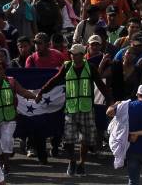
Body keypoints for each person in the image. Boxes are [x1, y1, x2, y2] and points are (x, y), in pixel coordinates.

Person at [37, 43, 110, 174]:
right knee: (69, 139)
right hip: (71, 109)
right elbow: (55, 80)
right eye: (71, 53)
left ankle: (82, 163)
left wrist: (110, 100)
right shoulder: (66, 67)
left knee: (86, 139)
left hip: (86, 108)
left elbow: (100, 85)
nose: (72, 56)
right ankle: (72, 161)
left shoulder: (90, 68)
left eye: (75, 54)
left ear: (82, 55)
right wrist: (41, 91)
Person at [108, 83, 142, 185]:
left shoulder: (126, 106)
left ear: (137, 95)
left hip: (132, 150)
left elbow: (109, 112)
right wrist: (138, 133)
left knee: (133, 181)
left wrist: (115, 104)